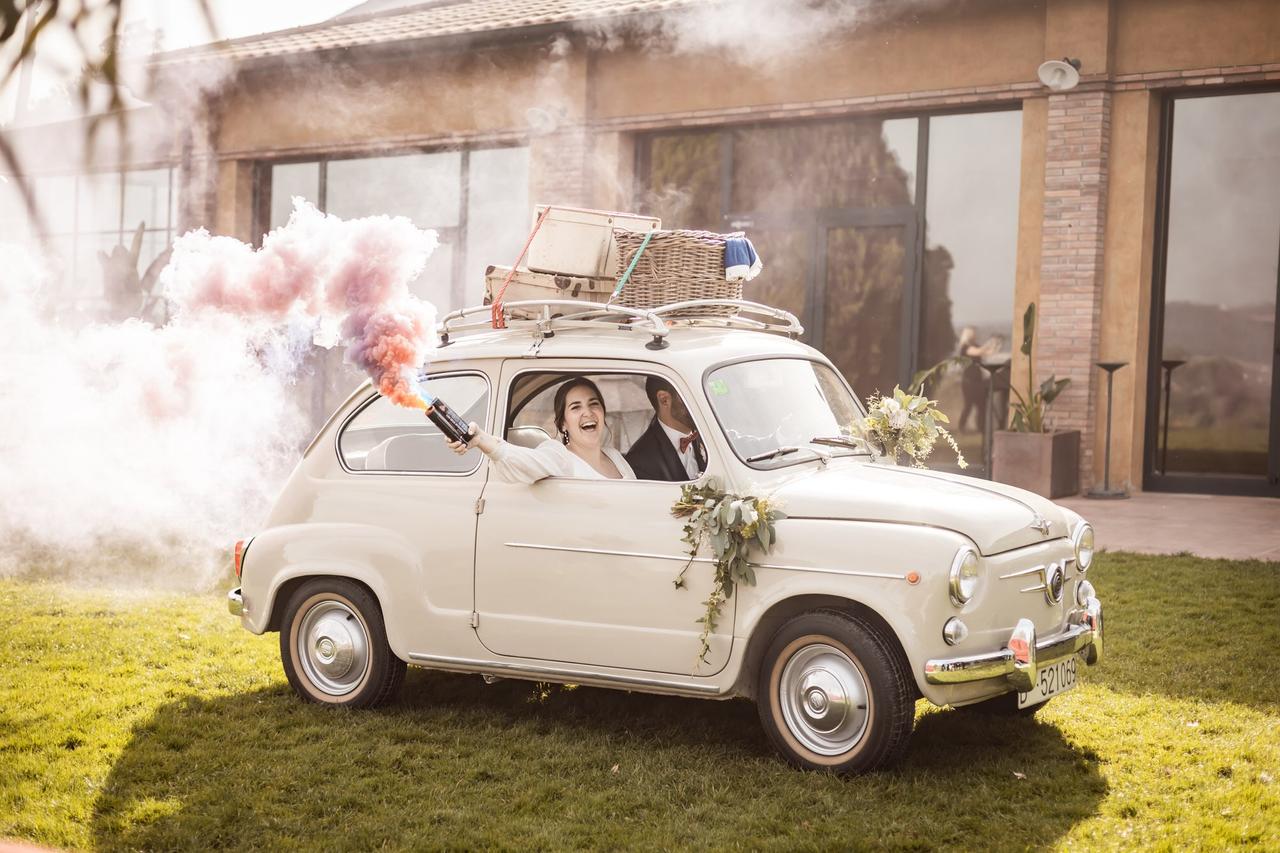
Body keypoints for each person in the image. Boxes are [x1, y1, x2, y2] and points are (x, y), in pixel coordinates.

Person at [445, 376, 636, 483]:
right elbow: (528, 462)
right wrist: (482, 440)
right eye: (576, 407)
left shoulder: (616, 457)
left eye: (594, 404)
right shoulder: (559, 455)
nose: (588, 413)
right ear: (563, 424)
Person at [624, 376, 705, 482]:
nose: (702, 404)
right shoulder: (640, 462)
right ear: (664, 400)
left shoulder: (710, 435)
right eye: (692, 396)